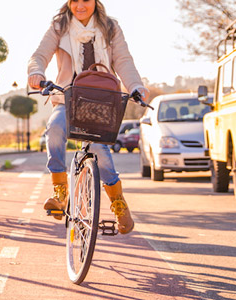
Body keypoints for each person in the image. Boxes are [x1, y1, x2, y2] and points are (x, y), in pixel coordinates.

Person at [27, 0, 148, 234]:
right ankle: (60, 192)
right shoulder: (59, 26)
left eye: (86, 0)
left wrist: (136, 86)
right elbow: (39, 55)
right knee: (54, 129)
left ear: (95, 2)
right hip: (68, 98)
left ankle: (118, 203)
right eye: (75, 0)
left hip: (101, 102)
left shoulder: (110, 27)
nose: (80, 5)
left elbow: (123, 61)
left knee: (101, 152)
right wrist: (36, 71)